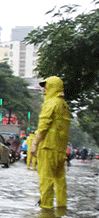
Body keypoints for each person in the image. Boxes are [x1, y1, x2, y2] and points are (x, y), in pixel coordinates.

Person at [30, 76, 71, 209]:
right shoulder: (64, 106)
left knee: (46, 181)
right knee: (60, 182)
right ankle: (61, 209)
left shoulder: (51, 103)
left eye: (46, 86)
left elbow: (43, 127)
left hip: (48, 148)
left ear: (53, 87)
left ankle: (46, 211)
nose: (44, 90)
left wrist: (34, 144)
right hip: (60, 150)